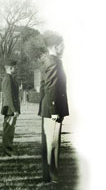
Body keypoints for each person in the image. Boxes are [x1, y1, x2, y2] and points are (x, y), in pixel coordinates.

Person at [38, 31, 69, 184]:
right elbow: (51, 88)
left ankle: (48, 176)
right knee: (53, 143)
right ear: (55, 47)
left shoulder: (49, 60)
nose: (63, 48)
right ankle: (52, 177)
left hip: (50, 109)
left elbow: (43, 88)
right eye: (61, 46)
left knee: (50, 143)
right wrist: (54, 110)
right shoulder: (52, 62)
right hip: (53, 110)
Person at [1, 60, 20, 156]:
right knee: (8, 131)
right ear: (10, 68)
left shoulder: (10, 78)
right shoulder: (8, 79)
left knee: (10, 130)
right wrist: (14, 110)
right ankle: (7, 151)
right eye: (14, 67)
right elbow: (9, 96)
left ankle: (9, 149)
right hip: (9, 110)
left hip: (11, 109)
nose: (15, 68)